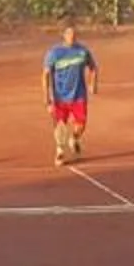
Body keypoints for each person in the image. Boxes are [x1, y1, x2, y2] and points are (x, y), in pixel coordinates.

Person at [43, 24, 99, 166]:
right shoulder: (54, 53)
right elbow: (45, 75)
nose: (71, 37)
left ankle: (74, 138)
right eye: (69, 35)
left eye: (74, 35)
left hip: (79, 95)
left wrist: (93, 84)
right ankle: (60, 152)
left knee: (80, 125)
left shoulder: (82, 52)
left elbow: (93, 68)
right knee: (60, 126)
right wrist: (47, 98)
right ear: (64, 36)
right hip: (60, 96)